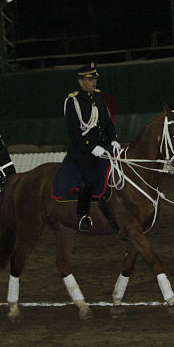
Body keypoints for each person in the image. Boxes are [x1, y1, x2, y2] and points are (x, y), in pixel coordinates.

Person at [63, 62, 120, 232]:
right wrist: (91, 147)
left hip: (103, 146)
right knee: (90, 178)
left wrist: (114, 140)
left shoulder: (98, 97)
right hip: (82, 150)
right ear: (81, 82)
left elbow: (107, 122)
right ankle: (83, 215)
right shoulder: (72, 101)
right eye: (89, 79)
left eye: (94, 78)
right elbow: (74, 133)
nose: (93, 82)